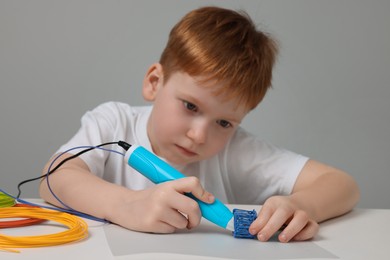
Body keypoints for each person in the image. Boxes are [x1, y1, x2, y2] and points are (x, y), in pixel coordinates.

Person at [39, 6, 359, 243]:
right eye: (190, 106)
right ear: (154, 82)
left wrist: (301, 205)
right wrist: (126, 205)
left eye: (224, 121)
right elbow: (55, 176)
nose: (199, 134)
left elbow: (342, 184)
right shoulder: (113, 122)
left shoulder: (235, 149)